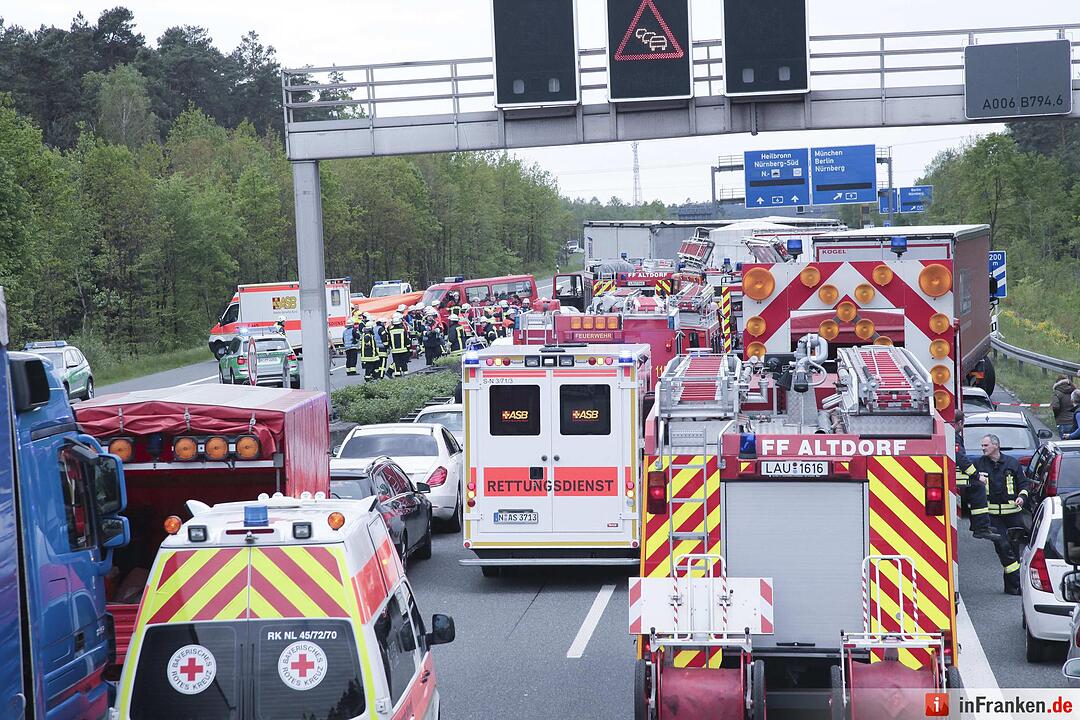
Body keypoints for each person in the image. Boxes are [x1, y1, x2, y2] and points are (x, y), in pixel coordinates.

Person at [972, 433, 1030, 595]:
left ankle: (1011, 587)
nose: (983, 448)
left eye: (986, 445)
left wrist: (1022, 497)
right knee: (1003, 547)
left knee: (1014, 549)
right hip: (992, 516)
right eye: (982, 445)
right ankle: (1017, 583)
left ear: (996, 445)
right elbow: (969, 483)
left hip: (1013, 515)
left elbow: (1024, 484)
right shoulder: (978, 464)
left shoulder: (1012, 463)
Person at [952, 411, 998, 541]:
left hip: (952, 476)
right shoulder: (953, 437)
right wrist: (976, 476)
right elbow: (961, 459)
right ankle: (981, 528)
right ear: (960, 422)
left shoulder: (952, 435)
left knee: (976, 489)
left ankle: (980, 526)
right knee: (978, 487)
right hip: (953, 478)